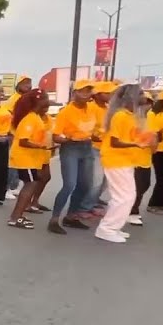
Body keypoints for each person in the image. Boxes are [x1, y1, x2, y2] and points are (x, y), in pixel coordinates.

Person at [94, 84, 153, 244]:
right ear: (131, 96)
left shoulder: (129, 115)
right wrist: (136, 145)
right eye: (141, 94)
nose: (144, 97)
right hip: (116, 160)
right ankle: (107, 229)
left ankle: (114, 227)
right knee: (123, 197)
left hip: (125, 160)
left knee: (126, 196)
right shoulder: (120, 116)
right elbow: (115, 142)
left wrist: (143, 140)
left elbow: (130, 137)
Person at [46, 80, 96, 235]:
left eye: (88, 91)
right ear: (74, 93)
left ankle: (71, 216)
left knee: (85, 185)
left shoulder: (91, 110)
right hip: (71, 148)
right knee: (69, 184)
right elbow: (56, 136)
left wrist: (95, 136)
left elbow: (93, 129)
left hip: (87, 148)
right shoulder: (66, 112)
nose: (86, 94)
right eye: (82, 91)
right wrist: (68, 139)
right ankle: (54, 220)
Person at [7, 89, 52, 230]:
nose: (48, 100)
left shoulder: (36, 117)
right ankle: (15, 218)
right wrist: (41, 146)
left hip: (31, 158)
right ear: (39, 101)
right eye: (45, 97)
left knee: (33, 182)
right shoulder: (30, 119)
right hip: (24, 158)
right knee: (30, 184)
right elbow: (23, 141)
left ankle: (18, 215)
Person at [78, 80, 116, 217]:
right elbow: (83, 126)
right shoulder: (90, 107)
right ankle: (83, 207)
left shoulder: (108, 108)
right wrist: (92, 135)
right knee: (96, 180)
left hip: (106, 148)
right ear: (98, 94)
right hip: (93, 148)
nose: (111, 95)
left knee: (105, 180)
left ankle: (92, 203)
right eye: (108, 93)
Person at [128, 91, 156, 226]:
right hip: (132, 158)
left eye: (148, 103)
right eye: (142, 103)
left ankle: (130, 208)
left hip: (146, 157)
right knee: (137, 186)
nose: (145, 106)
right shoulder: (129, 118)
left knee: (145, 185)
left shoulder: (151, 117)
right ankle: (132, 211)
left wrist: (154, 145)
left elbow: (154, 135)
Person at [4, 75, 33, 200]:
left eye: (29, 83)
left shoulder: (26, 99)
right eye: (25, 83)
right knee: (13, 163)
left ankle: (14, 186)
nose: (27, 86)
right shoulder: (13, 99)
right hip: (14, 134)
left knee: (20, 163)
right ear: (18, 85)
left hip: (24, 135)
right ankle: (7, 188)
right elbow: (8, 117)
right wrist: (10, 132)